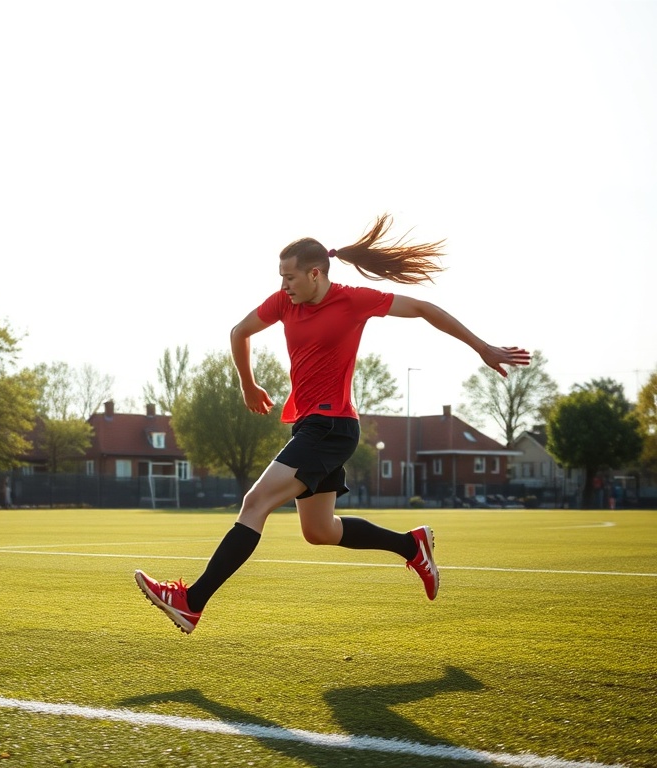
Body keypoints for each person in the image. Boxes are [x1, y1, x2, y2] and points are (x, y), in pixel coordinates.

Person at [134, 214, 531, 635]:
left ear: (315, 272)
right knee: (319, 531)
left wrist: (482, 347)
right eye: (280, 277)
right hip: (311, 425)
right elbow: (239, 332)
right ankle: (410, 545)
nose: (283, 285)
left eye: (289, 277)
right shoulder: (283, 303)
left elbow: (422, 308)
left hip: (332, 426)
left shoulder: (352, 300)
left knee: (255, 503)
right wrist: (247, 384)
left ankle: (191, 602)